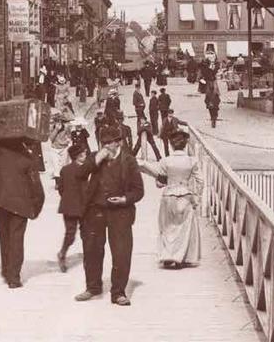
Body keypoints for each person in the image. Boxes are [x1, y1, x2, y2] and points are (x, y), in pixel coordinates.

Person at [75, 125, 145, 307]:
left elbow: (139, 191)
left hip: (120, 212)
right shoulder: (95, 158)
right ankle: (92, 287)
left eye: (109, 143)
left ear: (119, 142)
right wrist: (97, 158)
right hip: (95, 210)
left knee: (121, 252)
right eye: (102, 143)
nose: (106, 146)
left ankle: (118, 292)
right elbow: (80, 174)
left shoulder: (128, 161)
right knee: (91, 250)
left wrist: (124, 199)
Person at [0, 139, 45, 288]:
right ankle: (14, 277)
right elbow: (36, 186)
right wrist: (36, 208)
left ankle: (6, 270)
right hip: (20, 204)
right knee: (17, 238)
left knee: (4, 235)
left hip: (1, 200)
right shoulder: (27, 157)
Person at [139, 130, 203, 268]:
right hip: (185, 194)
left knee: (167, 226)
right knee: (184, 227)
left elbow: (159, 182)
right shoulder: (192, 161)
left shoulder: (165, 161)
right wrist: (196, 196)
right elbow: (200, 181)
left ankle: (167, 255)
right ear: (185, 145)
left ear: (172, 146)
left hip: (169, 195)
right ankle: (180, 256)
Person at [57, 143, 90, 272]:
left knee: (70, 233)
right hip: (82, 205)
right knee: (85, 232)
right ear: (77, 156)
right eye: (83, 155)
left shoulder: (64, 170)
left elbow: (61, 188)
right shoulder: (85, 170)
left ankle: (63, 253)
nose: (85, 156)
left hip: (68, 206)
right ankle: (87, 257)